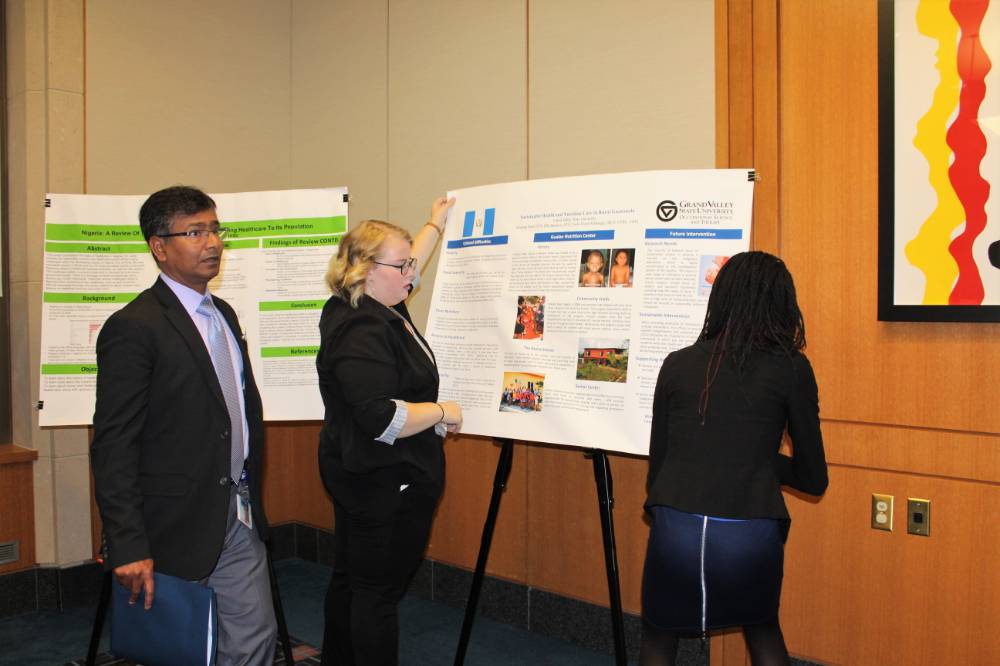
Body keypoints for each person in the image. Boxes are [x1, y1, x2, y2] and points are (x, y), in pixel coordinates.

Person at [91, 186, 276, 665]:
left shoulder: (225, 314)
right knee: (180, 650)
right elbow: (114, 444)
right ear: (159, 246)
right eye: (195, 232)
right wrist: (127, 543)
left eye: (215, 229)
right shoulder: (134, 327)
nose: (212, 242)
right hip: (171, 525)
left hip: (237, 512)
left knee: (255, 638)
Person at [641, 251, 828, 666]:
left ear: (721, 298)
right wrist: (760, 461)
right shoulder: (793, 369)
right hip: (749, 530)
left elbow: (658, 469)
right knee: (762, 629)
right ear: (781, 303)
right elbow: (814, 479)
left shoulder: (676, 364)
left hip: (677, 525)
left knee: (658, 635)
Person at [316, 197, 463, 666]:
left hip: (360, 472)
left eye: (409, 264)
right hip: (382, 479)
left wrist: (434, 223)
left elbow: (409, 261)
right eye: (401, 266)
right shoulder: (363, 326)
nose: (410, 274)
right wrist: (441, 411)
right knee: (377, 593)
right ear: (364, 268)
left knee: (353, 580)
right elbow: (381, 418)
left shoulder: (372, 298)